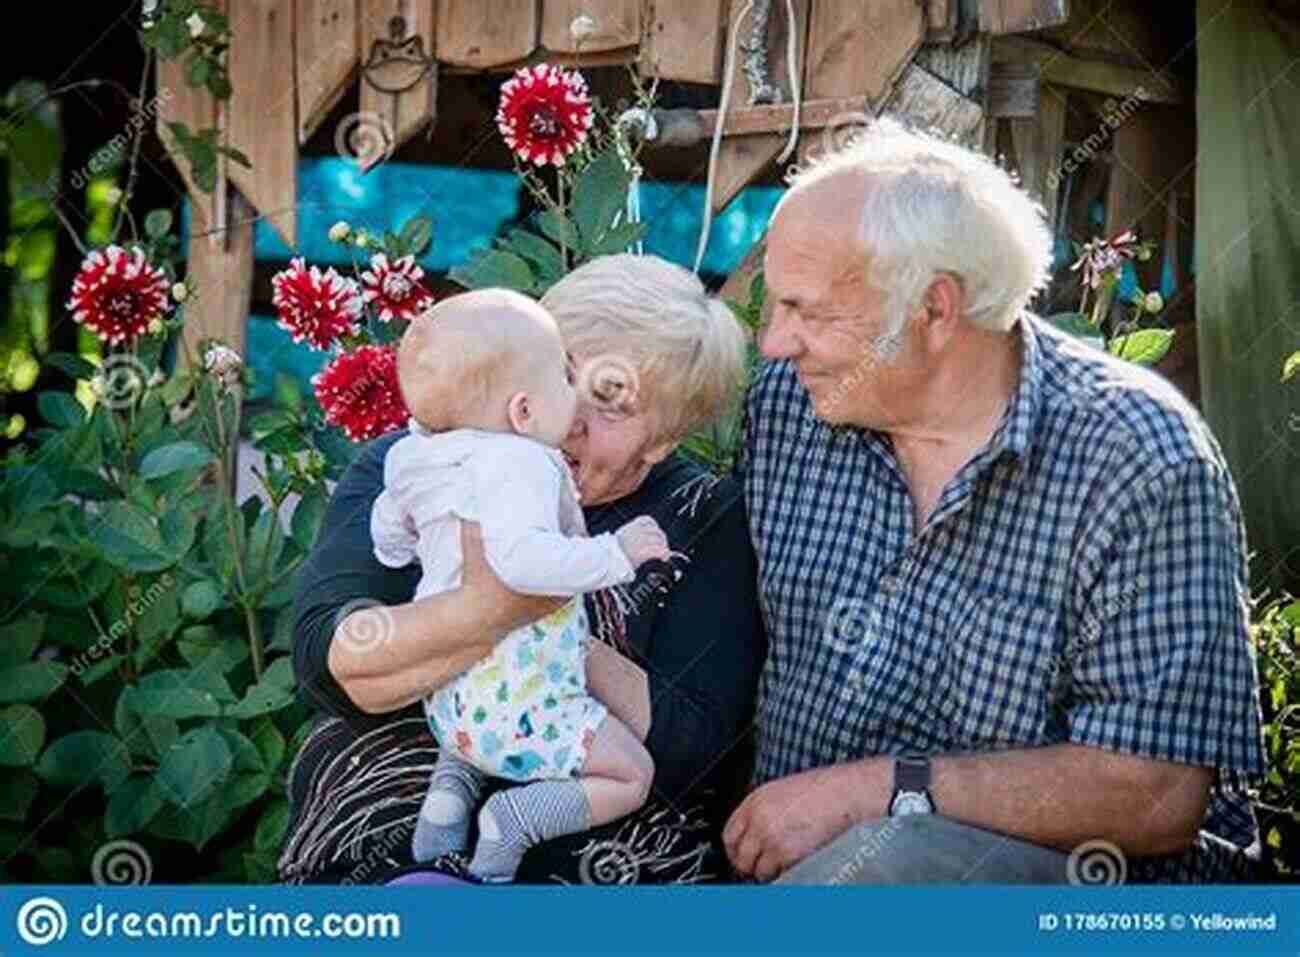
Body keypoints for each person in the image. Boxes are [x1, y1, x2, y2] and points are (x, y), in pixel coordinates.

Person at [726, 117, 1267, 884]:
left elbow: (1158, 792)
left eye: (806, 311)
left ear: (936, 309)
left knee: (887, 871)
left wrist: (883, 791)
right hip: (791, 875)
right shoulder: (789, 404)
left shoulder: (1138, 456)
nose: (774, 343)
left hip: (1065, 895)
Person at [281, 255, 765, 885]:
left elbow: (693, 746)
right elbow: (331, 661)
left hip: (591, 840)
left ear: (663, 438)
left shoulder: (702, 518)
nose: (566, 418)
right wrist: (501, 608)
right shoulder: (419, 462)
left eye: (613, 404)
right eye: (561, 373)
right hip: (398, 806)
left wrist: (545, 642)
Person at [374, 290, 670, 880]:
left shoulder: (415, 454)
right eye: (565, 378)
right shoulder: (523, 463)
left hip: (448, 700)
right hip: (519, 698)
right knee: (630, 775)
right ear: (524, 413)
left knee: (474, 728)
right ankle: (514, 820)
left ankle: (449, 795)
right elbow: (522, 564)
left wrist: (411, 547)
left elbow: (388, 534)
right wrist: (616, 553)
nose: (577, 398)